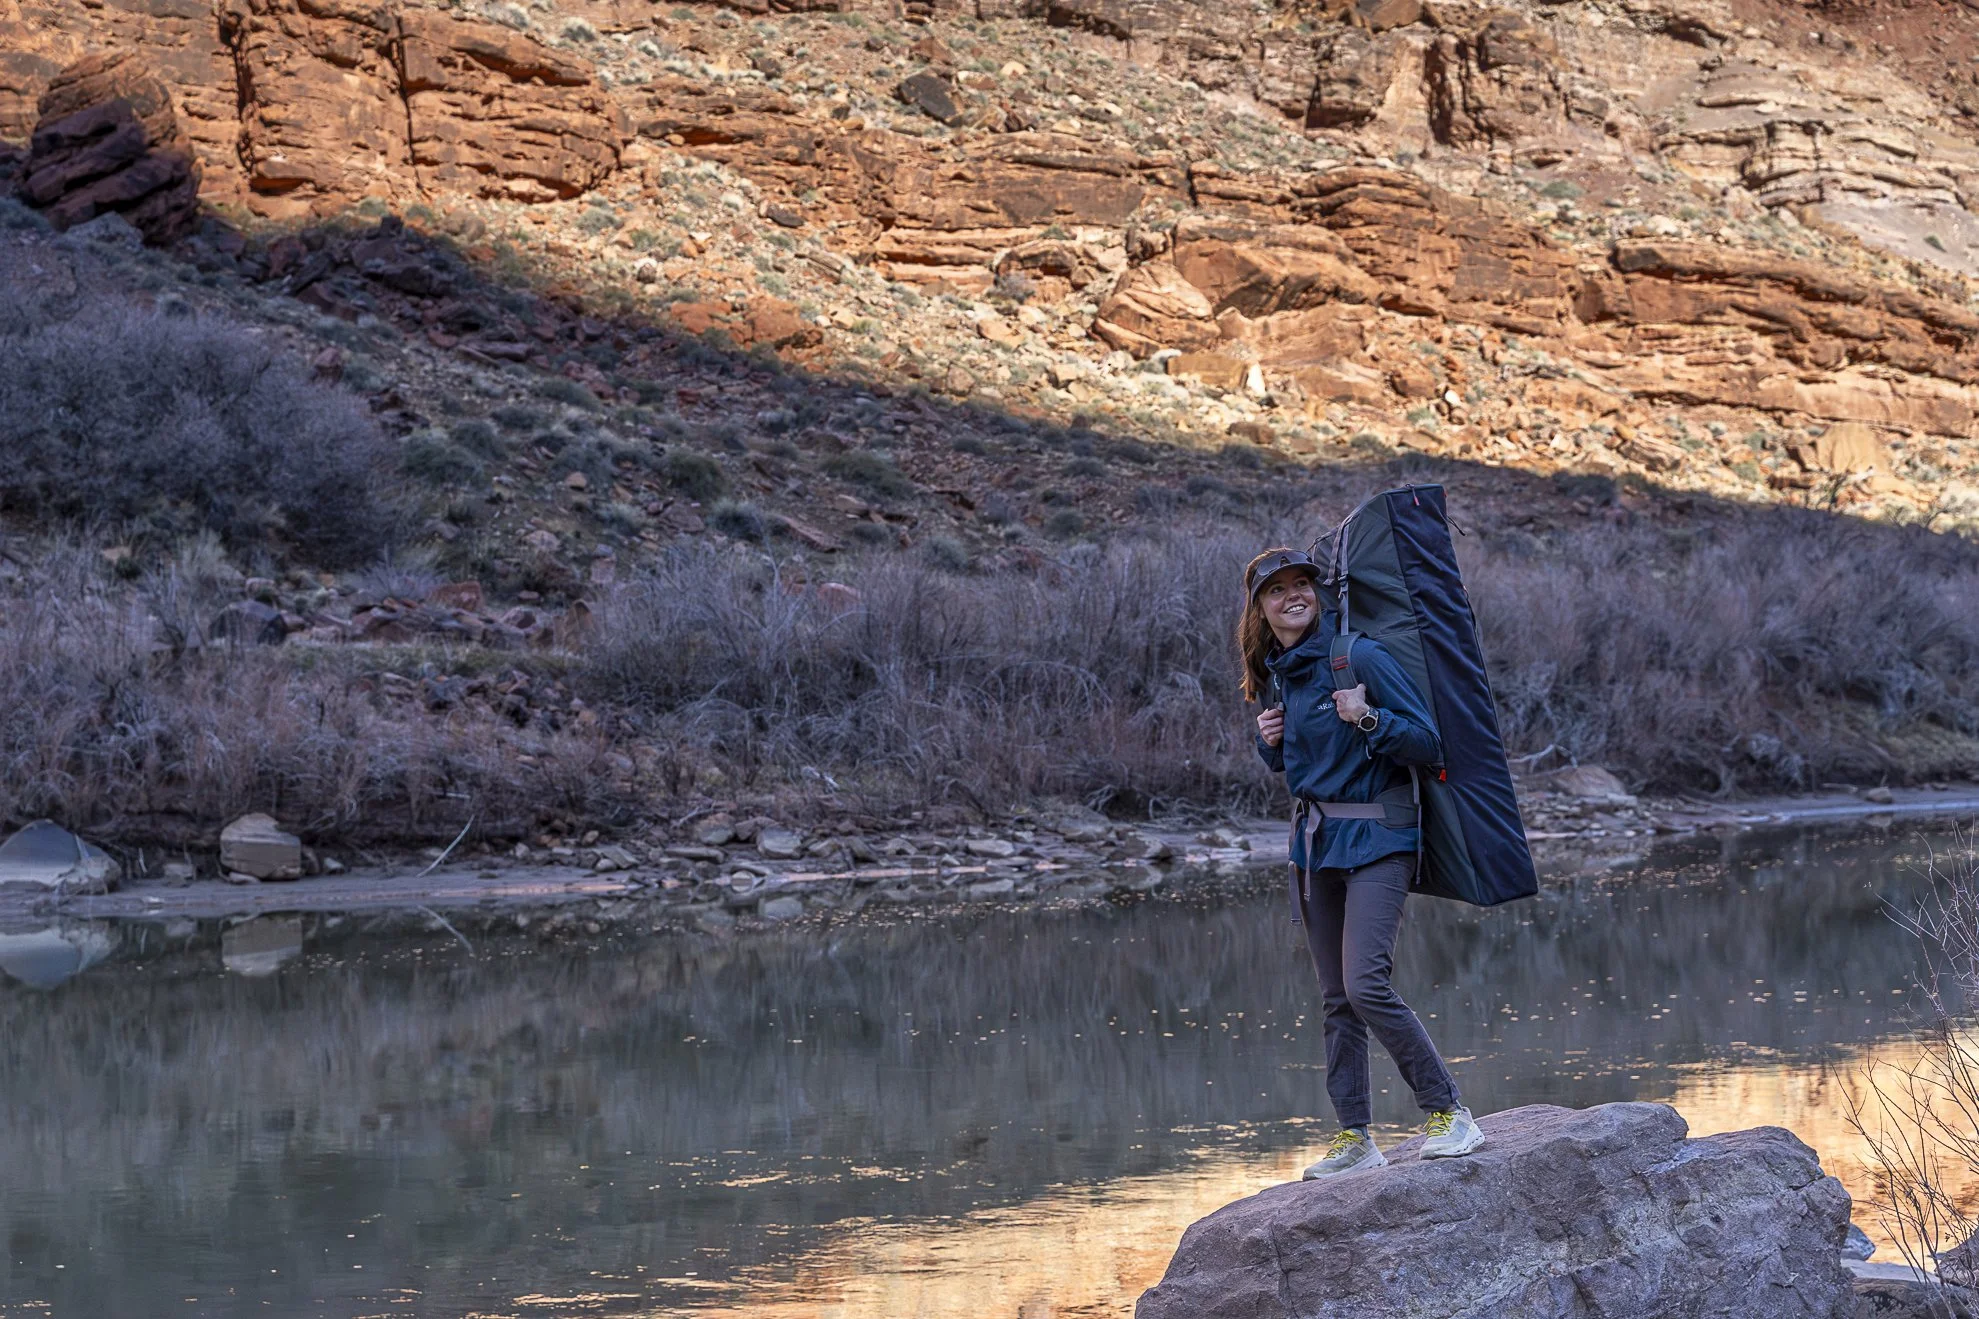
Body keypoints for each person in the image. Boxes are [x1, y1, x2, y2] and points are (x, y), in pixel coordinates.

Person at [1240, 547, 1483, 1177]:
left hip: (1381, 838)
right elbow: (1308, 769)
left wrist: (1369, 714)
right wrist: (1272, 748)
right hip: (1315, 848)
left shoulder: (1358, 657)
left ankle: (1450, 1112)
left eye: (1302, 585)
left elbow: (1429, 742)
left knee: (1365, 984)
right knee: (1335, 999)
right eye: (1277, 591)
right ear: (1260, 609)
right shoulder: (1277, 674)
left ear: (1317, 594)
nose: (1293, 596)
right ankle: (1356, 1137)